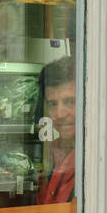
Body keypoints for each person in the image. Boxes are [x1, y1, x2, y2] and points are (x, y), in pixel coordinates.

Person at [37, 56, 75, 204]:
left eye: (70, 102)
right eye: (53, 104)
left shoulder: (92, 158)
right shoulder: (56, 152)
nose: (59, 114)